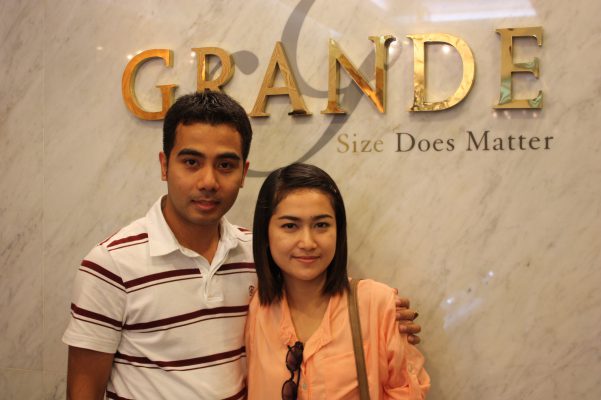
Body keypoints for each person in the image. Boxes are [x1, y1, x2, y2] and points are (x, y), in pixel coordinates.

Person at [62, 91, 421, 399]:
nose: (208, 181)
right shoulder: (111, 264)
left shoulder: (259, 254)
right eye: (191, 162)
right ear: (164, 165)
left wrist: (383, 314)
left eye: (225, 165)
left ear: (243, 173)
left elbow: (321, 300)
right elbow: (84, 389)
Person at [246, 163, 430, 399]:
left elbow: (406, 391)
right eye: (290, 226)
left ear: (339, 230)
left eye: (321, 225)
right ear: (265, 233)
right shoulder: (256, 308)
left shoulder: (377, 304)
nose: (308, 242)